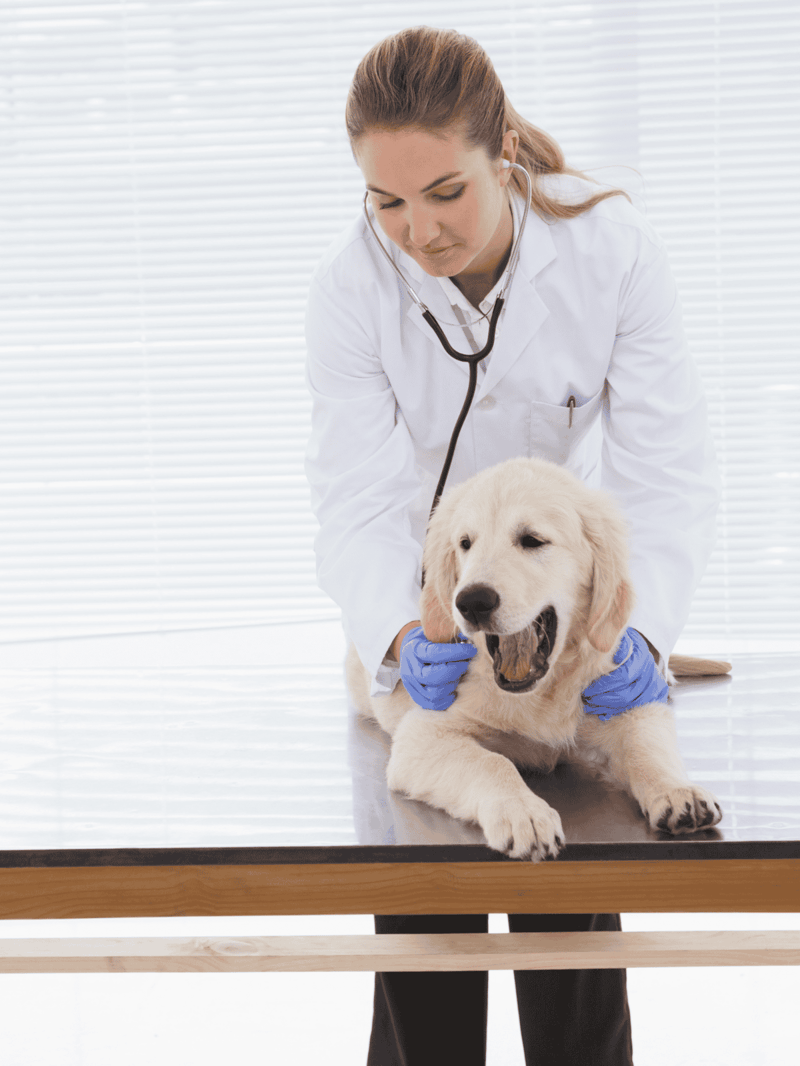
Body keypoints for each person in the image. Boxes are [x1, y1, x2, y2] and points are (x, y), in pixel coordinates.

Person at [304, 25, 720, 1066]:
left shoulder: (608, 253)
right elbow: (356, 500)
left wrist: (641, 633)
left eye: (444, 191)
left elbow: (662, 476)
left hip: (553, 587)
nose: (417, 231)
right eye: (386, 201)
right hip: (432, 597)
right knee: (424, 882)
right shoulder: (352, 291)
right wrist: (400, 633)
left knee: (571, 870)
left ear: (503, 156)